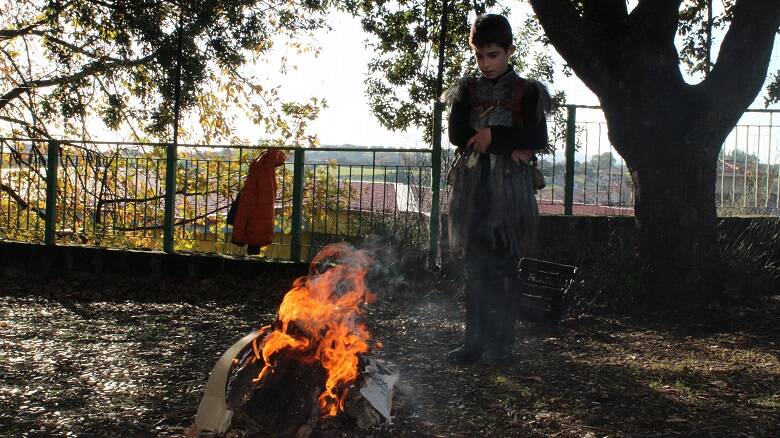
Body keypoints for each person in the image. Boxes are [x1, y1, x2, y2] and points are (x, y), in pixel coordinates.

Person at [443, 13, 550, 364]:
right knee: (475, 268)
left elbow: (537, 138)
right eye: (479, 56)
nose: (486, 63)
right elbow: (457, 134)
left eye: (493, 55)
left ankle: (502, 346)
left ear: (508, 51)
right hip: (473, 191)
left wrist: (492, 136)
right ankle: (474, 342)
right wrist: (507, 143)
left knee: (505, 268)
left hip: (510, 196)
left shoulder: (529, 92)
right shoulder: (465, 91)